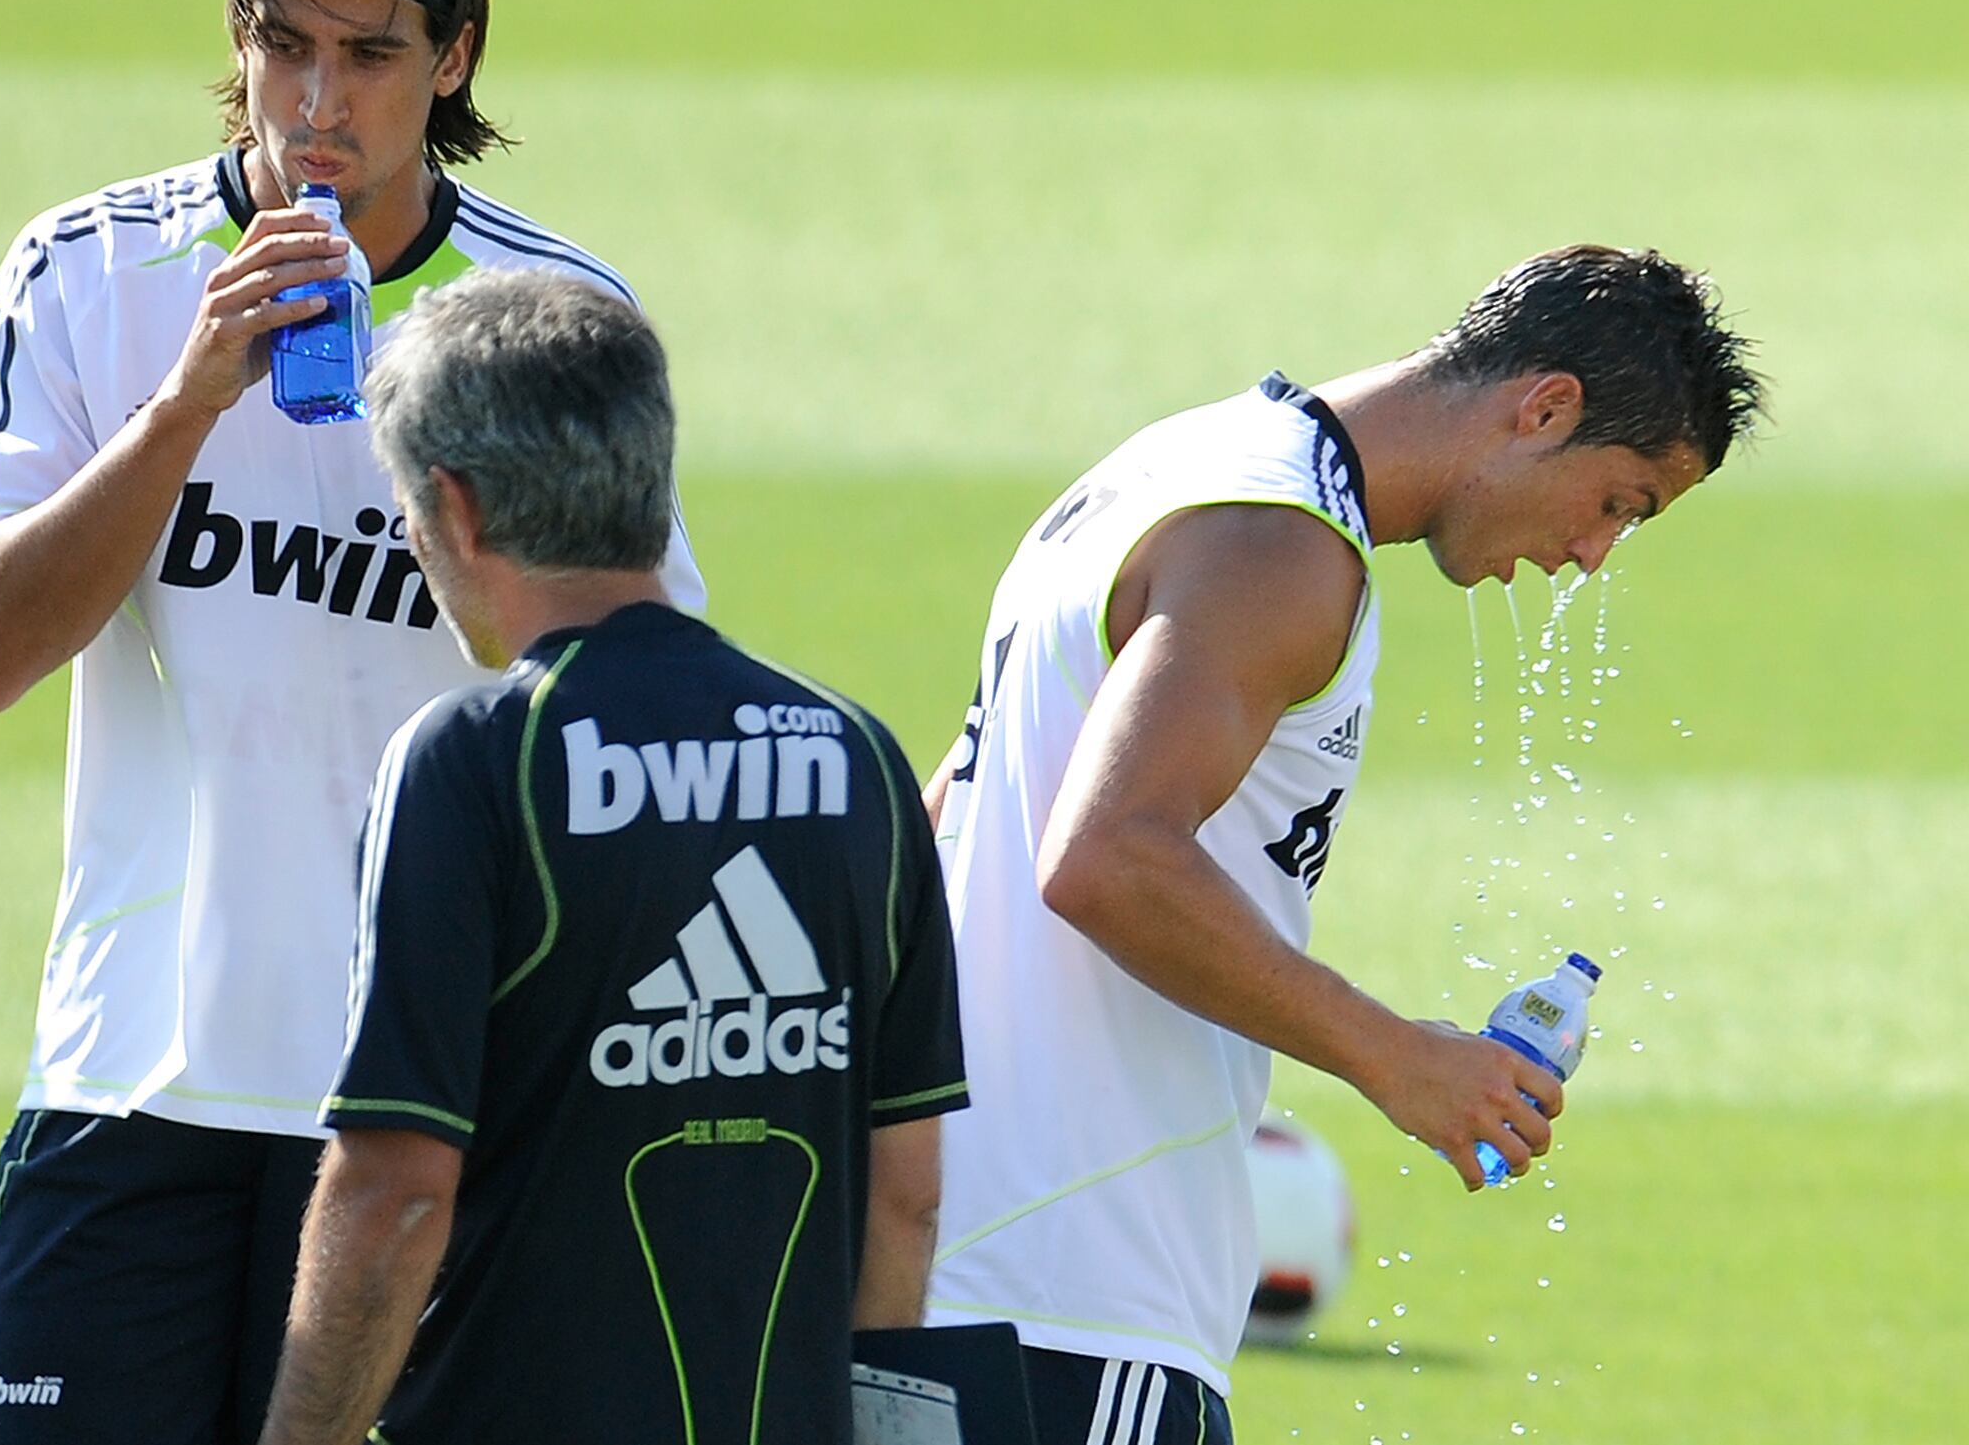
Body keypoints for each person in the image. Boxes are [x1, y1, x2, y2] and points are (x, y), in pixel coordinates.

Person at [0, 0, 702, 1444]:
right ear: (239, 41)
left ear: (453, 60)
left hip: (418, 1110)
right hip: (125, 1086)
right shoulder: (87, 274)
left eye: (368, 55)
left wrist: (465, 505)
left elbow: (629, 707)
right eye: (282, 46)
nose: (317, 105)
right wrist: (185, 404)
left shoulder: (547, 326)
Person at [920, 245, 1765, 1444]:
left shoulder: (1173, 462)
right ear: (1546, 409)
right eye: (1620, 501)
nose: (1592, 555)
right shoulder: (1284, 544)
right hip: (1072, 1287)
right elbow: (1107, 856)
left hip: (955, 1256)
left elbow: (953, 805)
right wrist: (1395, 1058)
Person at [255, 269, 968, 1445]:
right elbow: (907, 1198)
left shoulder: (477, 759)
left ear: (459, 509)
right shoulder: (856, 754)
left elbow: (393, 1197)